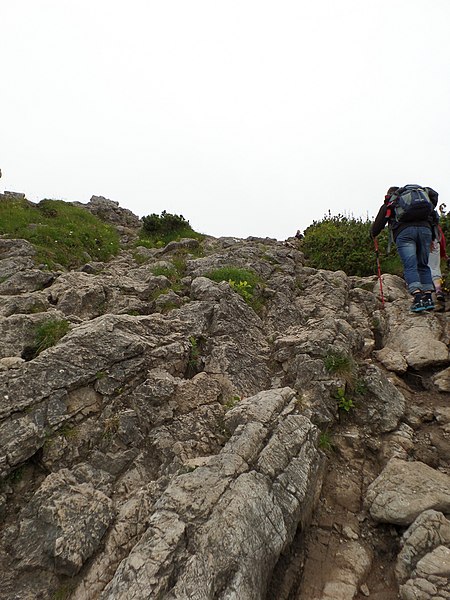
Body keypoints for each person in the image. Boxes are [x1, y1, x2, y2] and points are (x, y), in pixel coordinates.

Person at [371, 184, 439, 312]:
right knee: (423, 265)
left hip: (405, 233)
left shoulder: (392, 202)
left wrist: (373, 233)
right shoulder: (421, 200)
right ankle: (429, 298)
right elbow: (434, 216)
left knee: (410, 266)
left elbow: (377, 225)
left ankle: (418, 298)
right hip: (425, 231)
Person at [428, 224, 447, 306]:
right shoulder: (433, 220)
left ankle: (425, 291)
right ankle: (438, 289)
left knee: (422, 267)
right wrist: (443, 253)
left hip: (419, 241)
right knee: (435, 267)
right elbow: (441, 238)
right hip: (434, 241)